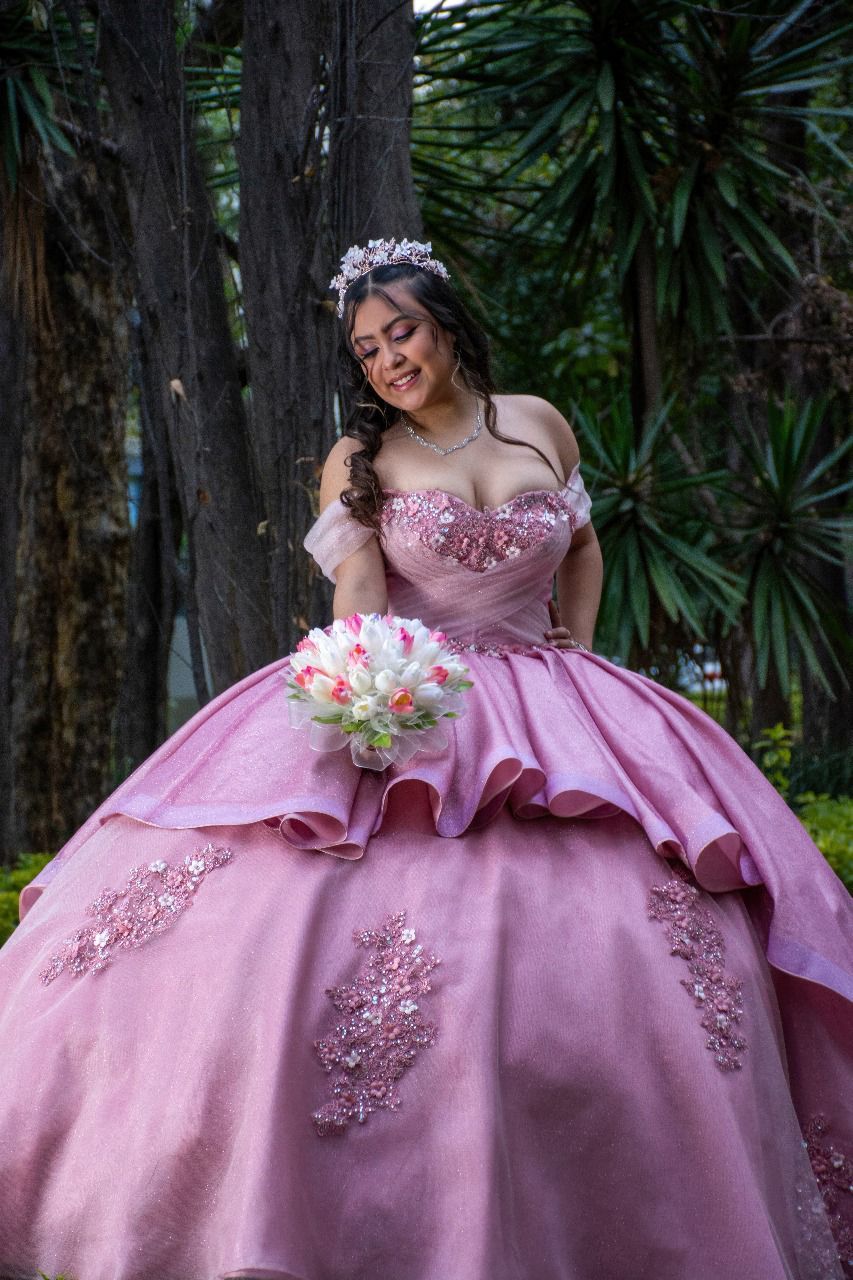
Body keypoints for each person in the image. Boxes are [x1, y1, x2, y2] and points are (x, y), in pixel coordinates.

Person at [0, 237, 850, 1280]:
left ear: (444, 321)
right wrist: (365, 701)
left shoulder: (537, 421)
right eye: (365, 349)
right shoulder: (361, 461)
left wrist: (572, 650)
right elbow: (357, 596)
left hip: (552, 694)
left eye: (398, 330)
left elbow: (579, 545)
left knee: (654, 922)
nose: (386, 359)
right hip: (410, 685)